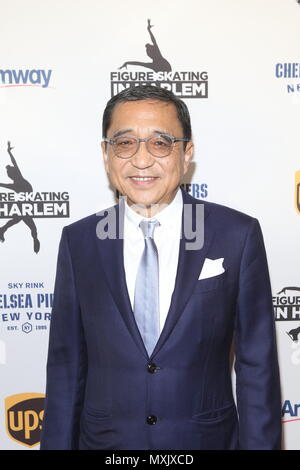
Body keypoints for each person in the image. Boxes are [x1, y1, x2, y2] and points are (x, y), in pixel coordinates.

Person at [40, 85, 282, 450]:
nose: (141, 160)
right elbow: (65, 370)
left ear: (187, 154)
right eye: (124, 143)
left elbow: (257, 369)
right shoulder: (79, 242)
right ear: (106, 155)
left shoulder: (237, 236)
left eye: (160, 143)